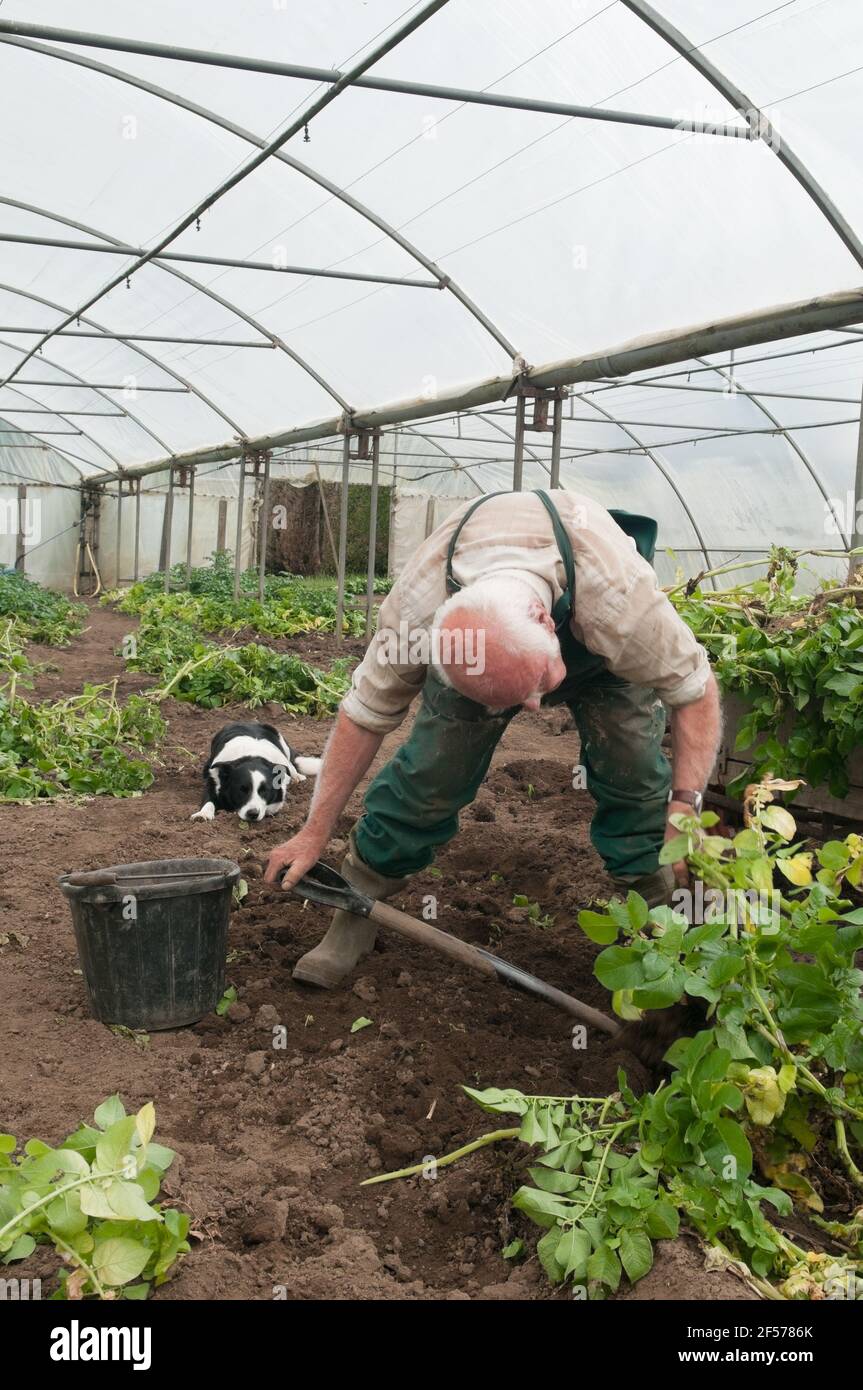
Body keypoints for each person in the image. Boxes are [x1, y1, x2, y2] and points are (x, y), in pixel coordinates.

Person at [265, 488, 721, 988]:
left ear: (547, 622)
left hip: (603, 659)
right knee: (431, 771)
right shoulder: (416, 612)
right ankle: (357, 906)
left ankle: (656, 921)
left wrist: (684, 805)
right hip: (492, 654)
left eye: (533, 690)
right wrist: (314, 831)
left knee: (632, 767)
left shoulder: (617, 600)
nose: (532, 710)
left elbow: (694, 691)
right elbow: (364, 715)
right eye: (514, 698)